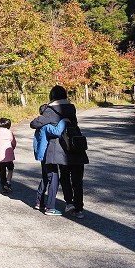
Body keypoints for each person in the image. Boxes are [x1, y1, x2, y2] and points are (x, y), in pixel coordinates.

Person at [30, 85, 89, 218]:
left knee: (64, 177)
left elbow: (34, 124)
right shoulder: (71, 107)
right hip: (76, 145)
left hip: (61, 150)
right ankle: (79, 209)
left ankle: (69, 203)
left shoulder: (50, 110)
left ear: (52, 96)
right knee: (78, 180)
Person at [31, 105, 67, 214]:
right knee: (53, 179)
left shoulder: (38, 125)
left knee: (45, 178)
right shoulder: (46, 126)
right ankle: (50, 207)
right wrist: (63, 121)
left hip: (41, 155)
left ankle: (39, 202)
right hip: (48, 155)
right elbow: (57, 131)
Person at [0, 117, 16, 192]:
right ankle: (8, 182)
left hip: (0, 157)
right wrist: (13, 147)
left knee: (2, 171)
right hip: (8, 155)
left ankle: (3, 186)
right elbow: (13, 142)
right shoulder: (9, 132)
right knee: (10, 169)